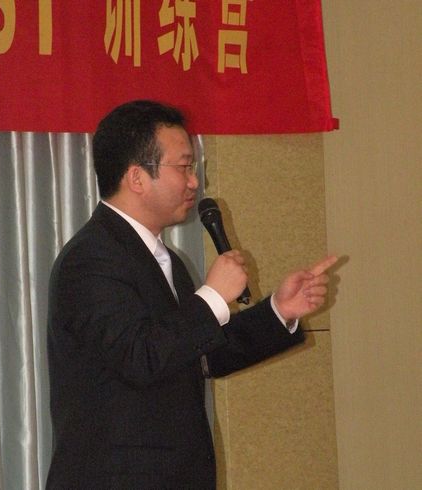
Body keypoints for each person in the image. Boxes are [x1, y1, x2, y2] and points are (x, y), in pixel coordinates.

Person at [45, 100, 336, 489]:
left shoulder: (164, 260)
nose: (195, 182)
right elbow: (141, 356)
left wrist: (279, 310)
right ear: (137, 178)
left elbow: (200, 354)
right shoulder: (91, 259)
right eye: (183, 167)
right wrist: (213, 296)